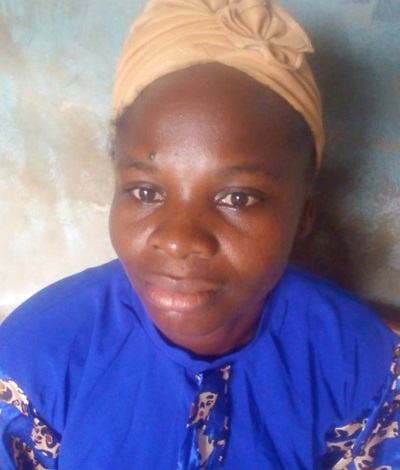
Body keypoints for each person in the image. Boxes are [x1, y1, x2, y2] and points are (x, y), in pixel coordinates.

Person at [1, 0, 399, 468]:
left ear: (304, 215)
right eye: (146, 191)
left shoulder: (360, 364)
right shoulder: (36, 357)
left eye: (238, 198)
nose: (178, 239)